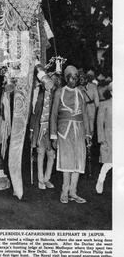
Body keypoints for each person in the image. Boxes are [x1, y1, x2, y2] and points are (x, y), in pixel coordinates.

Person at [50, 65, 92, 204]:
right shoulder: (59, 92)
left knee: (78, 162)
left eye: (75, 78)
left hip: (79, 131)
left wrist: (88, 135)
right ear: (66, 78)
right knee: (66, 162)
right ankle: (64, 191)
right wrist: (53, 135)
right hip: (64, 132)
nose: (73, 80)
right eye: (70, 78)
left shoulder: (80, 93)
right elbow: (54, 115)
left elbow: (85, 114)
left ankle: (73, 192)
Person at [96, 82, 112, 194]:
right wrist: (101, 138)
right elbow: (99, 123)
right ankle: (101, 180)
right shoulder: (104, 104)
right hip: (109, 137)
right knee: (109, 163)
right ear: (111, 92)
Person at [79, 69, 99, 140]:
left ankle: (91, 140)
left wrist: (97, 110)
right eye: (79, 79)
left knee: (92, 125)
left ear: (86, 79)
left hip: (91, 107)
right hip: (82, 108)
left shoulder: (93, 86)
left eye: (82, 79)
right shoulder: (78, 88)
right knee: (84, 124)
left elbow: (96, 99)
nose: (80, 81)